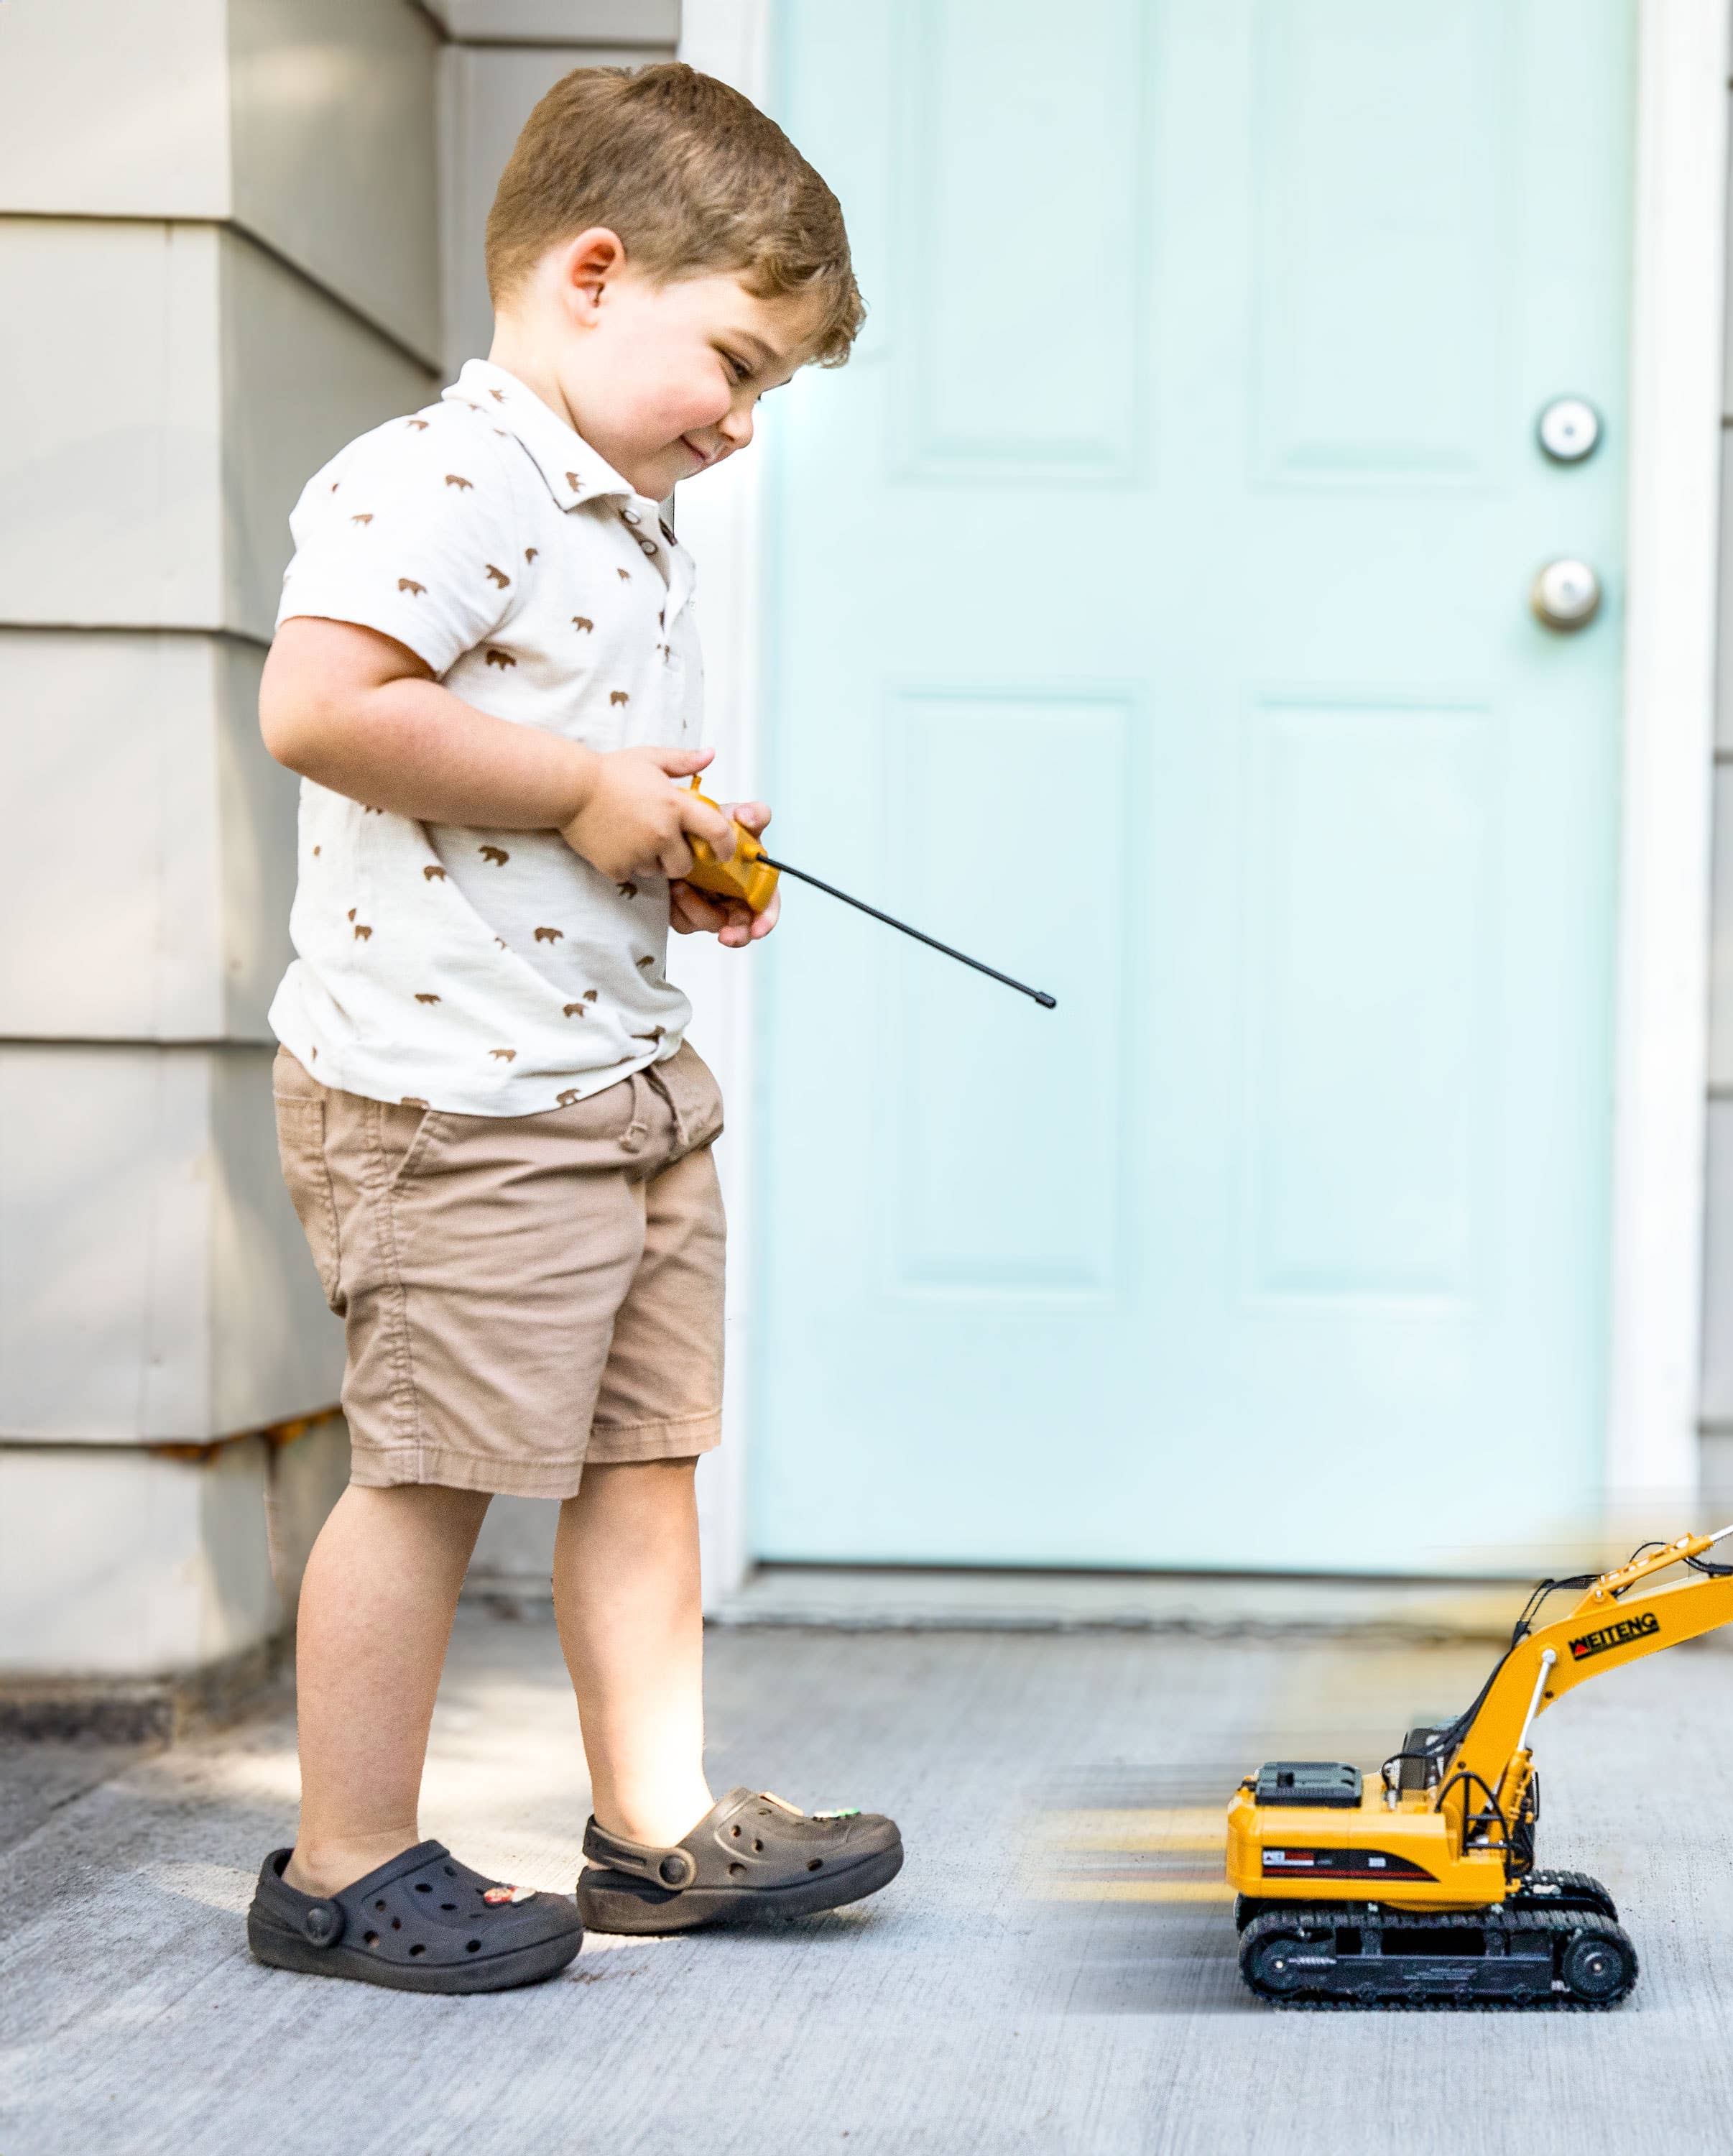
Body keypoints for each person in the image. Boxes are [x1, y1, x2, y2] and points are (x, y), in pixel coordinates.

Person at [241, 63, 900, 1992]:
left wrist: (657, 840)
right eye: (739, 364)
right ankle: (343, 1864)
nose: (747, 422)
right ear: (594, 276)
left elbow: (539, 777)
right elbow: (324, 706)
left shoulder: (617, 509)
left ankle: (655, 1825)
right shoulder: (443, 481)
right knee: (429, 1469)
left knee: (645, 1454)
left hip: (612, 1081)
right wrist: (581, 791)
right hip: (449, 1103)